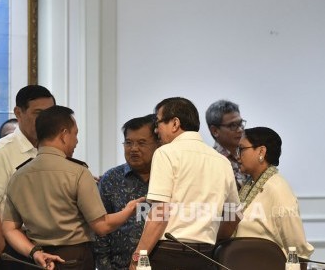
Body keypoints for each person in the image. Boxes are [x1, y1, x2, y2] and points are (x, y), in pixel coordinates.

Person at [2, 105, 145, 270]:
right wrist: (129, 210)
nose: (76, 140)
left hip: (39, 260)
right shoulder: (78, 172)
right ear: (63, 135)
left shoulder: (18, 176)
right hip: (74, 258)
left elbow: (10, 229)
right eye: (75, 134)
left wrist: (35, 252)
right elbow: (101, 226)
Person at [130, 97, 240, 270]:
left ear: (175, 123)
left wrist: (137, 259)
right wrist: (212, 238)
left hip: (168, 254)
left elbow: (160, 214)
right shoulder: (222, 161)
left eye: (158, 122)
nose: (156, 130)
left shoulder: (166, 153)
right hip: (206, 256)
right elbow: (235, 216)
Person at [0, 85, 55, 269]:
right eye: (38, 113)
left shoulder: (52, 151)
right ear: (18, 113)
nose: (45, 120)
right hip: (11, 249)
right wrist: (2, 256)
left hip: (48, 249)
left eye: (50, 114)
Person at [234, 127, 314, 258]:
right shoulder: (249, 185)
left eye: (242, 149)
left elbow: (297, 247)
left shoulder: (278, 188)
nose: (238, 156)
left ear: (261, 151)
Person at [94, 114, 159, 269]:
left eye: (142, 143)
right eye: (128, 143)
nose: (134, 149)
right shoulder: (111, 178)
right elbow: (99, 229)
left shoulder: (168, 178)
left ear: (158, 144)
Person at [206, 99, 249, 191]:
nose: (240, 130)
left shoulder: (250, 153)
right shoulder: (211, 161)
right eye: (233, 125)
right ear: (215, 131)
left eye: (240, 123)